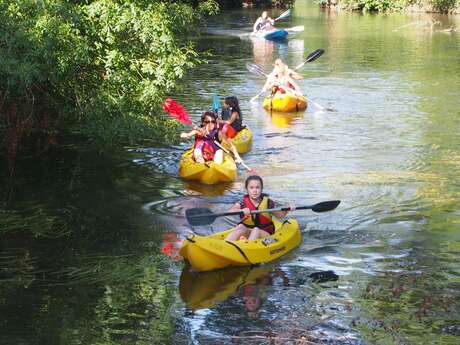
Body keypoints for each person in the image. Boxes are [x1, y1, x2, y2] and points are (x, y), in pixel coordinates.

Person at [225, 175, 295, 241]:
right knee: (240, 227)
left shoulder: (268, 202)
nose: (255, 190)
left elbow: (279, 215)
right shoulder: (242, 202)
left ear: (261, 189)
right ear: (247, 189)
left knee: (256, 230)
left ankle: (248, 247)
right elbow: (230, 212)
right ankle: (225, 246)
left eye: (257, 187)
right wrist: (241, 210)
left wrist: (287, 209)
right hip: (248, 232)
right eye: (251, 188)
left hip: (264, 233)